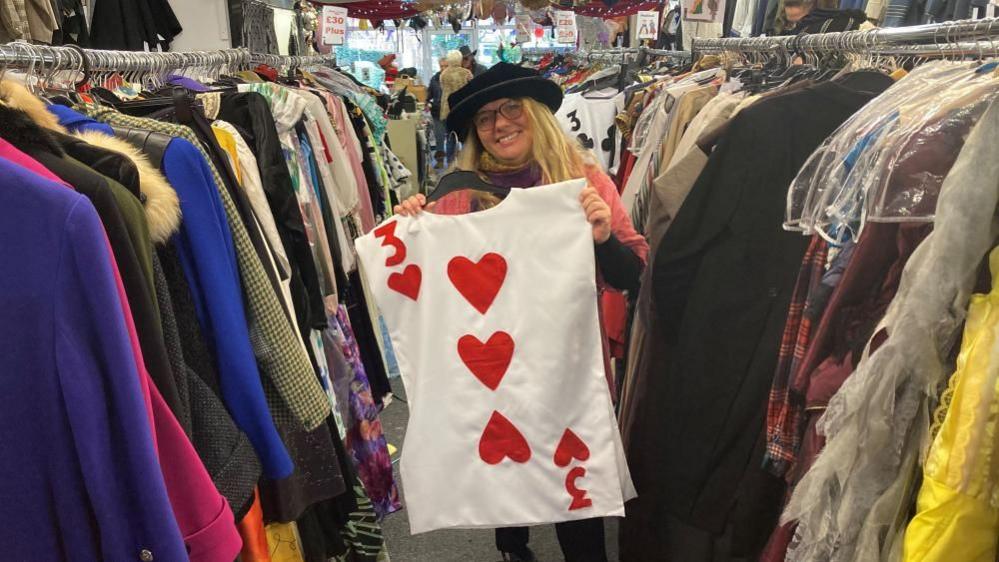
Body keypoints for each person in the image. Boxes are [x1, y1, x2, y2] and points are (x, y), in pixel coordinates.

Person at [393, 63, 649, 562]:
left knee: (576, 493)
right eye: (485, 117)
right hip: (493, 374)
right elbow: (429, 289)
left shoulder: (583, 183)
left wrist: (601, 241)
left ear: (535, 114)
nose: (500, 123)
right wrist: (413, 226)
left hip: (567, 373)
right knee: (504, 476)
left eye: (512, 108)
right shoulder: (458, 194)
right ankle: (513, 547)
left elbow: (635, 272)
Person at [427, 56, 449, 168]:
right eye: (442, 66)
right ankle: (440, 160)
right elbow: (429, 93)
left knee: (451, 137)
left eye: (446, 66)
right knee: (439, 136)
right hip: (437, 111)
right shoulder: (434, 79)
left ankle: (451, 161)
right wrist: (426, 101)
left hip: (451, 111)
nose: (443, 68)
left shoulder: (453, 78)